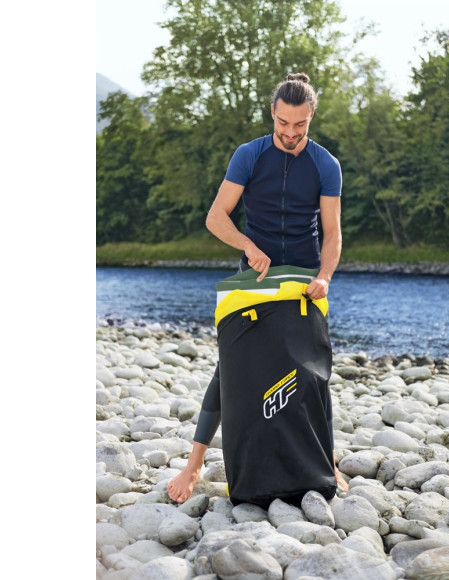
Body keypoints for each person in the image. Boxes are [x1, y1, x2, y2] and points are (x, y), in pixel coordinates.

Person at [167, 72, 348, 504]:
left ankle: (328, 462)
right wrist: (248, 246)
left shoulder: (325, 164)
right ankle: (194, 465)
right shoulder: (249, 155)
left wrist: (325, 276)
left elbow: (333, 232)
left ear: (311, 116)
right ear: (272, 113)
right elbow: (216, 217)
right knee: (230, 368)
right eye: (283, 123)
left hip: (304, 281)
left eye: (300, 125)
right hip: (254, 277)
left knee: (313, 371)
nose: (290, 133)